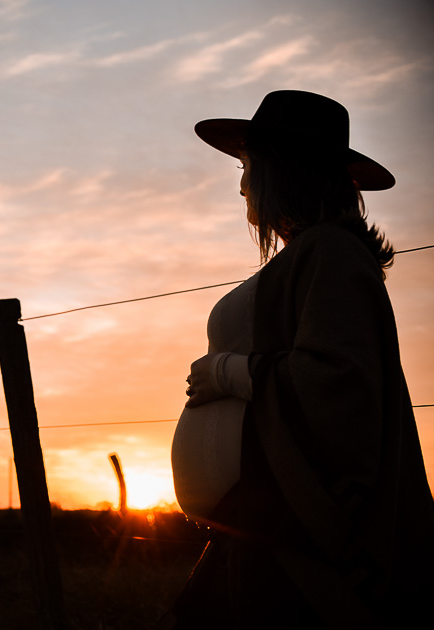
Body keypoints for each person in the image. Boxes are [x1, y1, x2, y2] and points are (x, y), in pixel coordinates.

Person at [166, 90, 434, 627]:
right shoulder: (312, 254)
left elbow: (338, 384)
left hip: (293, 527)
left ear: (280, 170)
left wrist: (227, 372)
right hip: (261, 521)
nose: (242, 185)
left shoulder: (332, 252)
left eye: (247, 166)